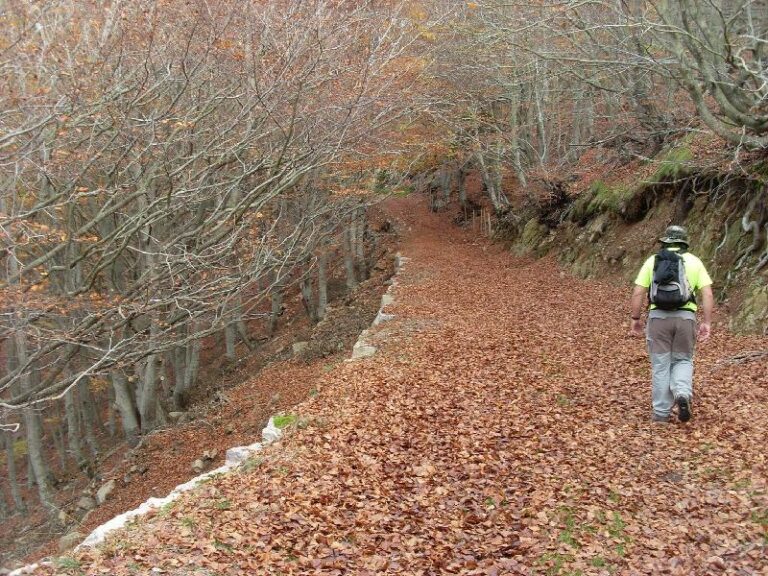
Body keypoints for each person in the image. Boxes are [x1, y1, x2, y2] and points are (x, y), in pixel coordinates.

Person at [629, 225, 714, 423]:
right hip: (686, 318)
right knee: (683, 360)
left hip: (658, 319)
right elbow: (707, 293)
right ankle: (682, 393)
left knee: (661, 366)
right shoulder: (694, 261)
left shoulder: (653, 261)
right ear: (684, 242)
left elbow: (638, 292)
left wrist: (635, 319)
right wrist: (707, 322)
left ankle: (660, 415)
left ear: (665, 241)